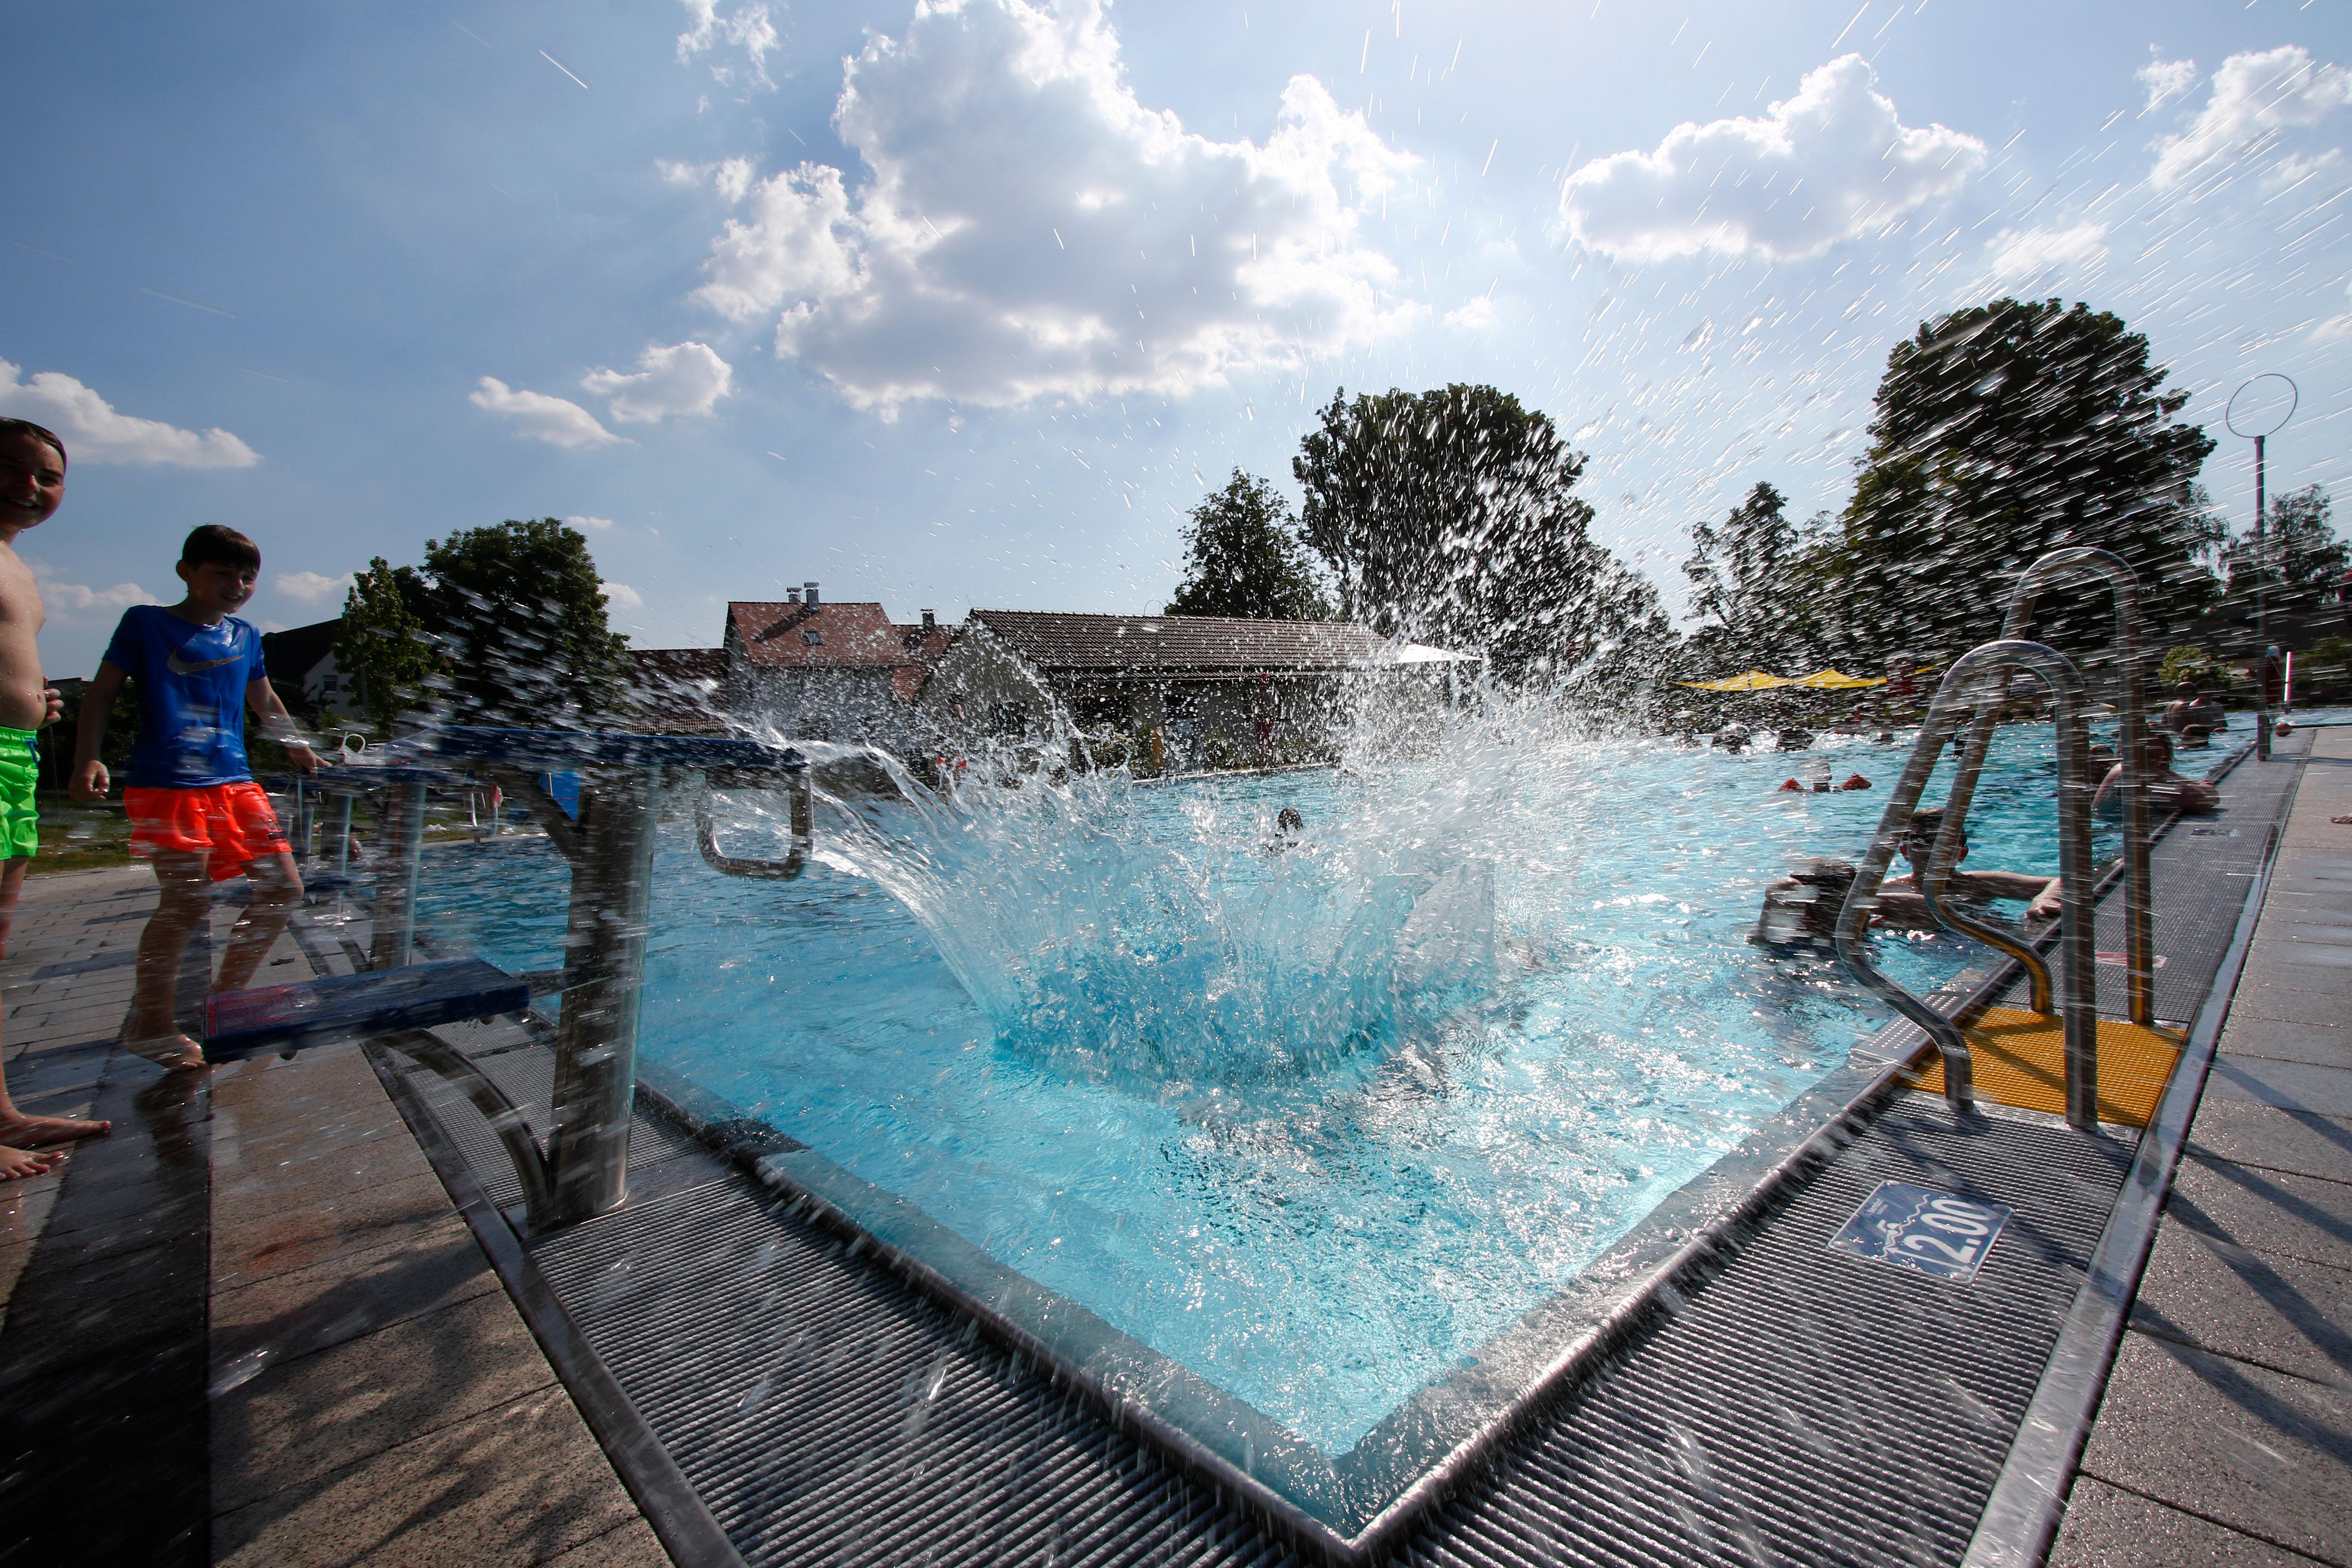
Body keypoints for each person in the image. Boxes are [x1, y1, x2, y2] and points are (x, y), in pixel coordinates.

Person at [70, 525, 319, 1070]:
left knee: (282, 888)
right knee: (186, 904)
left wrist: (299, 748)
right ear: (187, 572)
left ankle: (224, 1002)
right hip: (169, 784)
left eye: (247, 576)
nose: (237, 584)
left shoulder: (246, 635)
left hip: (235, 782)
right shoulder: (147, 623)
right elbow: (103, 691)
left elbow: (265, 699)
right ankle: (151, 1026)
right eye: (222, 574)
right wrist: (88, 756)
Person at [0, 419, 110, 1179]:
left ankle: (0, 1108)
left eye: (48, 477)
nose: (31, 487)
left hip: (15, 756)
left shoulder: (18, 568)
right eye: (13, 470)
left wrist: (37, 703)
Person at [1754, 806, 2061, 944]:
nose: (1933, 850)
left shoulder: (1981, 882)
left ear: (1961, 853)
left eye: (1944, 841)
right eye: (1922, 841)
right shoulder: (1886, 891)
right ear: (1904, 852)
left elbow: (2061, 880)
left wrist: (2045, 896)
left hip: (1997, 942)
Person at [2095, 730, 2218, 817]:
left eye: (2157, 745)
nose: (2152, 751)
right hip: (2117, 836)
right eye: (2146, 745)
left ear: (2166, 749)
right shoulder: (2135, 770)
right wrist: (2206, 788)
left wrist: (2201, 789)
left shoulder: (2146, 769)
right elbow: (2201, 802)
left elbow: (2193, 790)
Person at [2162, 680, 2226, 736]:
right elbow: (2194, 729)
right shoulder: (2184, 706)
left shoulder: (2171, 705)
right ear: (2184, 692)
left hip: (2176, 738)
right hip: (2186, 738)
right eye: (2193, 689)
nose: (2196, 691)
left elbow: (2164, 725)